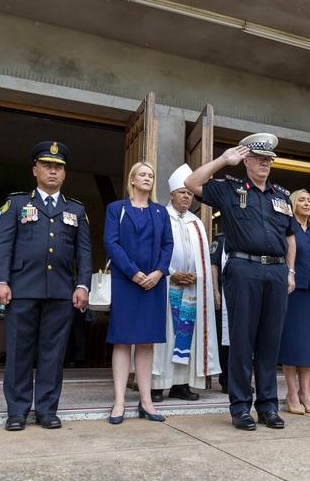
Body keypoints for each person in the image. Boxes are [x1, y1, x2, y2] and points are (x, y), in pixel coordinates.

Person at [185, 133, 297, 431]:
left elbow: (290, 236)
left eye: (269, 160)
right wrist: (223, 160)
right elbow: (191, 183)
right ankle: (240, 408)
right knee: (242, 342)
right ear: (246, 161)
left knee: (269, 343)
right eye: (259, 159)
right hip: (243, 270)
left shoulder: (281, 196)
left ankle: (269, 407)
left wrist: (290, 271)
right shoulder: (230, 189)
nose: (265, 164)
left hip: (275, 272)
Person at [0, 141, 92, 431]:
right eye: (47, 165)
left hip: (61, 292)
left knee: (53, 353)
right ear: (35, 169)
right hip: (21, 289)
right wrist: (0, 280)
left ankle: (47, 409)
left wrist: (83, 286)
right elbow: (3, 246)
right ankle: (17, 411)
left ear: (64, 174)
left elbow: (84, 253)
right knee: (19, 351)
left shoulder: (75, 208)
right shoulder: (18, 204)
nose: (53, 171)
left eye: (58, 167)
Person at [104, 162, 173, 424]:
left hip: (154, 283)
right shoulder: (116, 209)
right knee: (122, 340)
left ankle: (146, 401)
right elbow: (111, 243)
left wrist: (159, 272)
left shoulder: (160, 212)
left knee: (146, 341)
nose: (147, 178)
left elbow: (168, 244)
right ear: (132, 179)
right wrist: (133, 273)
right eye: (142, 174)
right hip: (126, 282)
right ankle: (120, 401)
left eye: (151, 175)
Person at [151, 164, 220, 402]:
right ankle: (157, 386)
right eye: (182, 192)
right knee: (166, 335)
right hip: (166, 285)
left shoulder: (197, 223)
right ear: (171, 194)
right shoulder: (160, 217)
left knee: (187, 335)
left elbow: (201, 258)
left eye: (190, 193)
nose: (186, 197)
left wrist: (196, 277)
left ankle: (181, 385)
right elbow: (154, 253)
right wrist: (171, 274)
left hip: (191, 288)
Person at [278, 189, 310, 415]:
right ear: (293, 204)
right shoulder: (286, 229)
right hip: (292, 291)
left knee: (309, 345)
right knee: (291, 343)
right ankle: (291, 395)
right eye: (302, 200)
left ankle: (305, 394)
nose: (307, 203)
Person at [210, 231, 229, 393]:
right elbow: (213, 266)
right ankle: (226, 380)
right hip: (224, 294)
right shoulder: (221, 240)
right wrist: (215, 291)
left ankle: (240, 380)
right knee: (224, 339)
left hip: (244, 293)